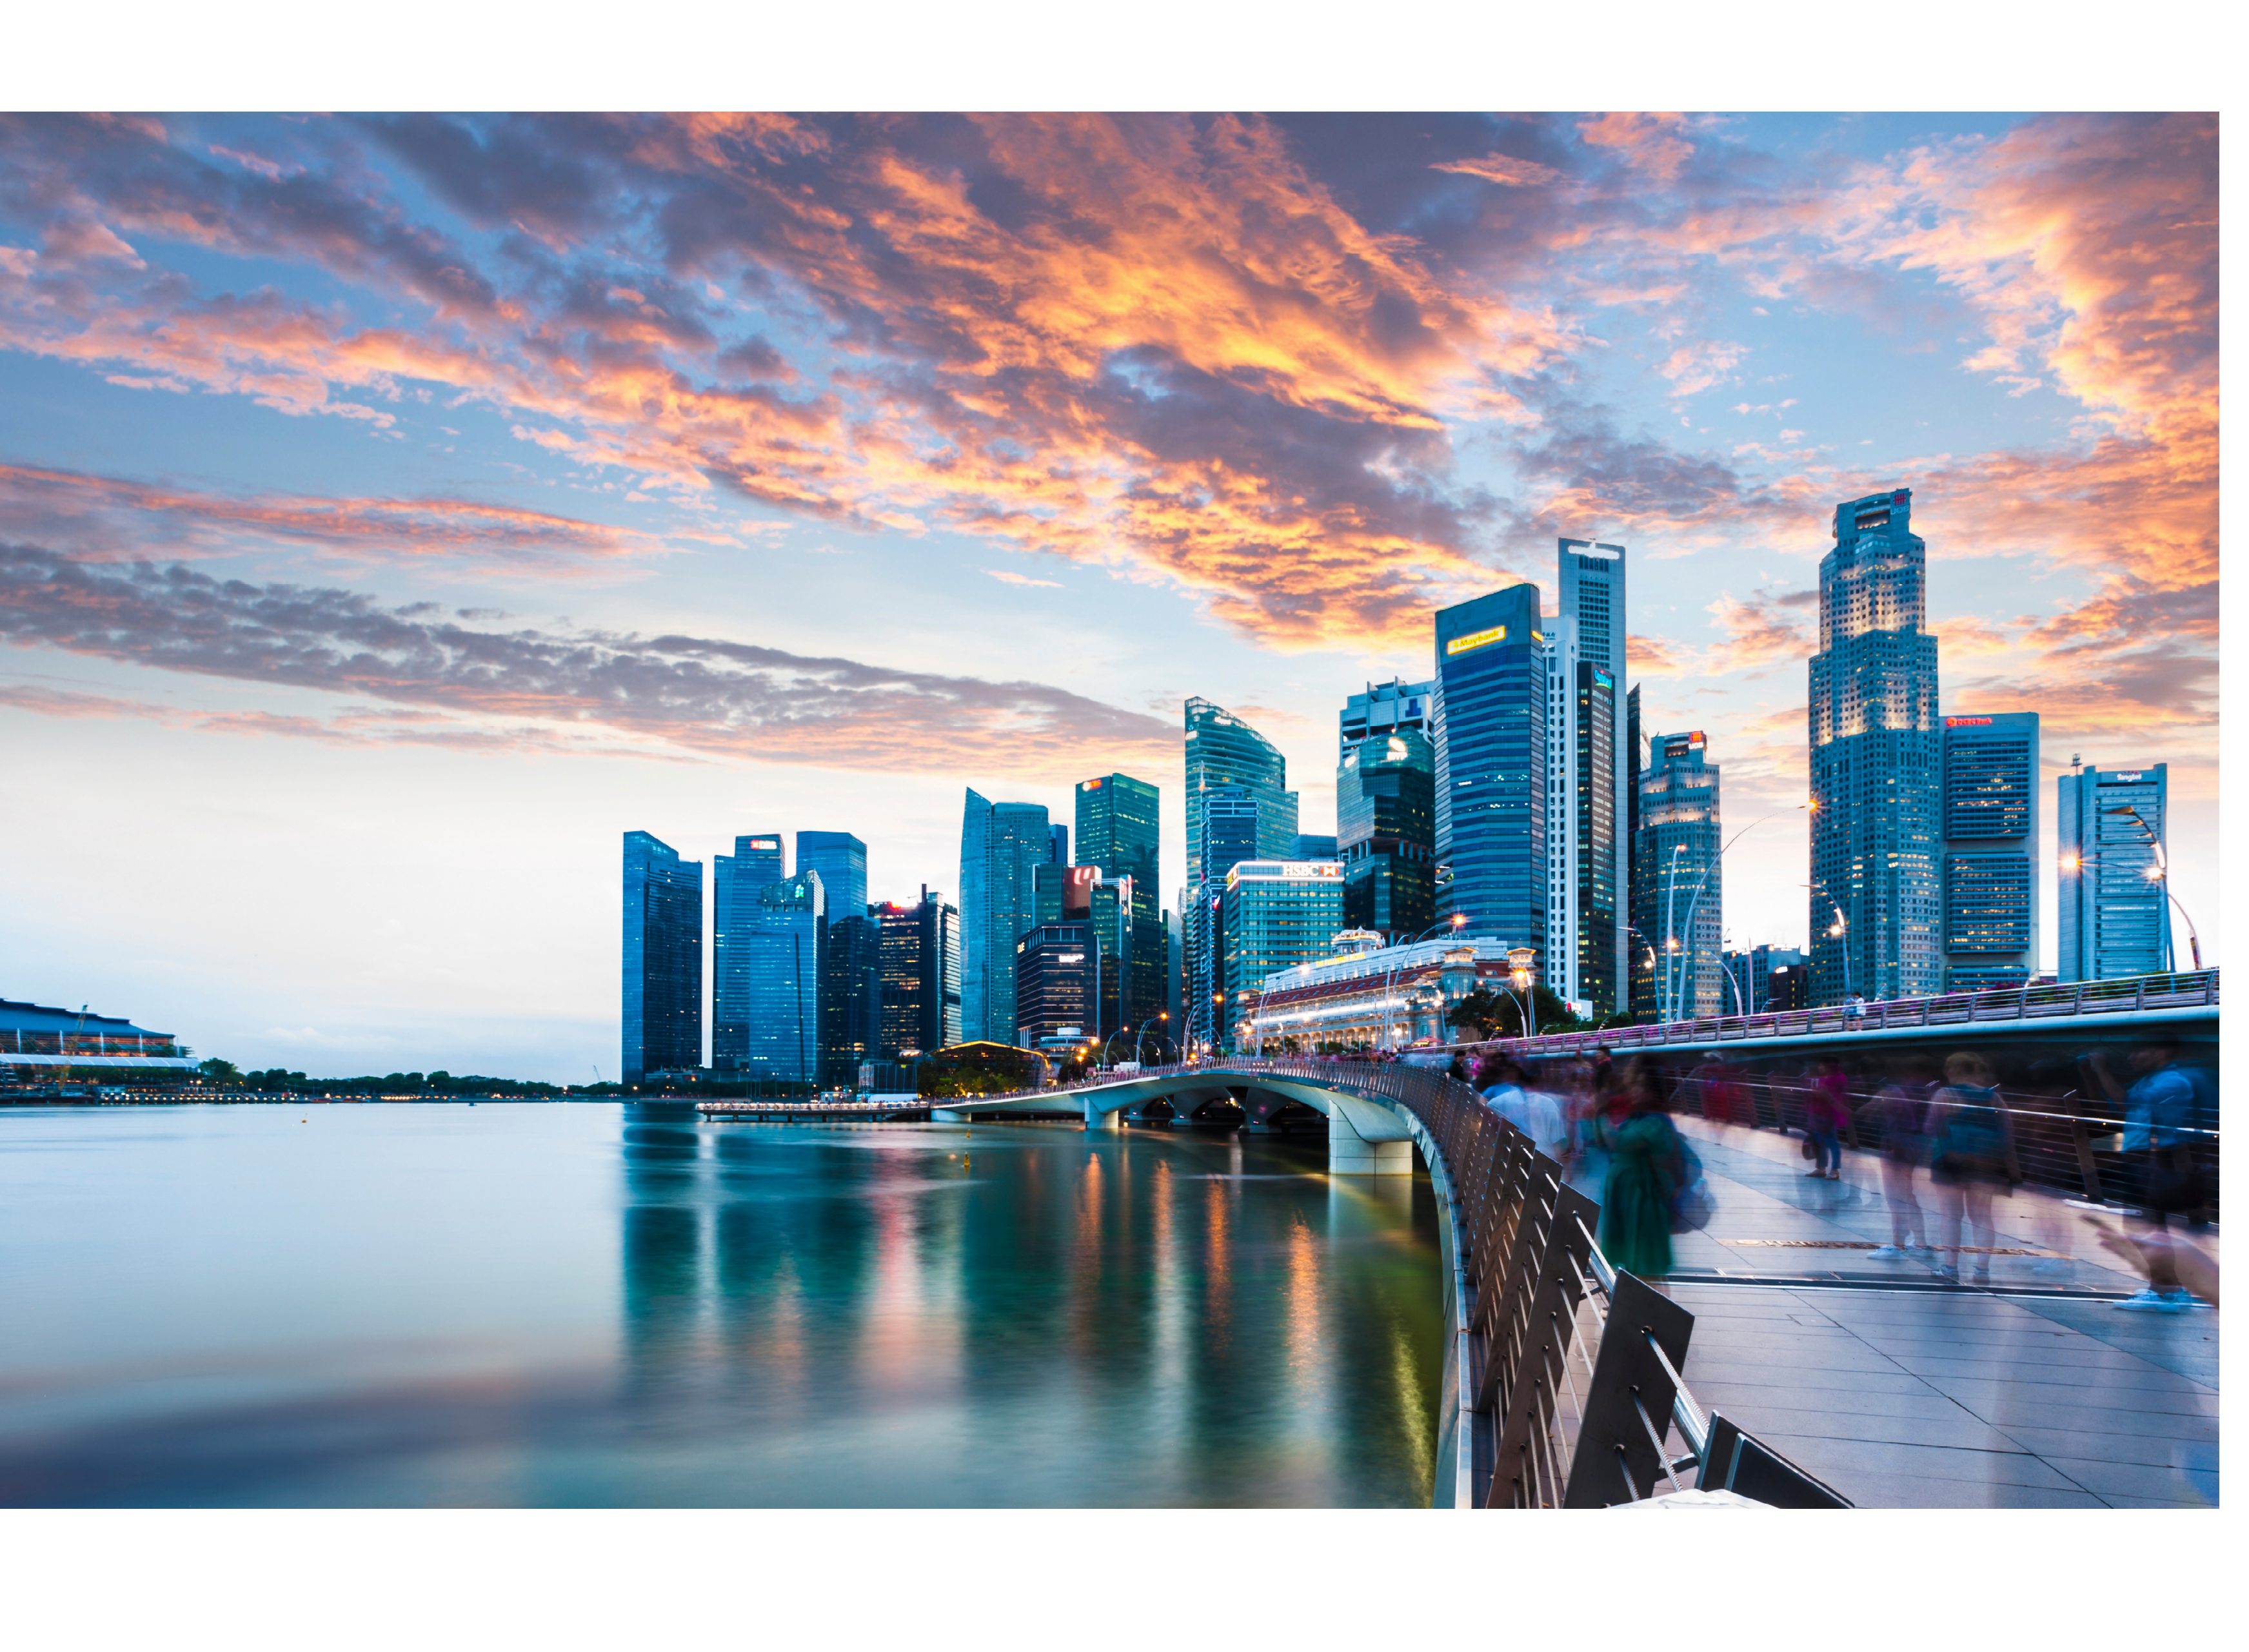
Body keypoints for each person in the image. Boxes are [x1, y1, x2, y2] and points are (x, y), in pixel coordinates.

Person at [2086, 1036, 2204, 1311]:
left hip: (2157, 1159)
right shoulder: (2151, 1080)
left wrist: (2102, 1068)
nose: (2132, 1057)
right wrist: (2090, 1073)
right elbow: (2110, 1106)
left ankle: (2167, 1293)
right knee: (2146, 1227)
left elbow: (2124, 1101)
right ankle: (2166, 1288)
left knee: (2150, 1228)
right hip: (2142, 1156)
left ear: (2162, 1051)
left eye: (2139, 1050)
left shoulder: (2172, 1081)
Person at [1926, 1051, 2018, 1284]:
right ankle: (1982, 1270)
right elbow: (2008, 1132)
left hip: (1949, 1159)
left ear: (1951, 1071)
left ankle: (1950, 1268)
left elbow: (1930, 1127)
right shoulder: (1993, 1097)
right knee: (1982, 1217)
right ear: (1976, 1071)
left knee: (1951, 1216)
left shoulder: (1944, 1094)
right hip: (1985, 1163)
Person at [1597, 1056, 1685, 1279]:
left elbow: (1619, 1142)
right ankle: (1630, 1301)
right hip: (1628, 1197)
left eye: (1639, 1087)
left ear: (1653, 1092)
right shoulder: (1638, 1118)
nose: (1633, 1091)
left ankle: (1649, 1308)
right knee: (1631, 1260)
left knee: (1646, 1262)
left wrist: (1598, 1114)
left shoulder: (1656, 1122)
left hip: (1643, 1199)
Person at [1859, 1054, 1934, 1259]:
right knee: (1908, 1195)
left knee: (1895, 1198)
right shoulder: (1906, 1090)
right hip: (1909, 1143)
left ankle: (1898, 1245)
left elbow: (1867, 1111)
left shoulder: (1890, 1091)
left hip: (1895, 1144)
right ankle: (1920, 1242)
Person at [1801, 1057, 1849, 1181]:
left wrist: (1819, 1093)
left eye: (1822, 1066)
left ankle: (1835, 1170)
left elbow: (1829, 1093)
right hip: (1818, 1113)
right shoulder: (1822, 1079)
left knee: (1832, 1142)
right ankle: (1821, 1168)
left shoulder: (1839, 1078)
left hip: (1829, 1114)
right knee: (1820, 1142)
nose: (1820, 1068)